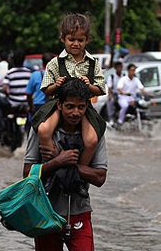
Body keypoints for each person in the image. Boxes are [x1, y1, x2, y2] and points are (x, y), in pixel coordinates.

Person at [23, 77, 108, 251]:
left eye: (80, 107)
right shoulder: (42, 130)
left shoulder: (95, 133)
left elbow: (101, 177)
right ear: (59, 105)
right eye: (70, 106)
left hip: (80, 209)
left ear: (86, 107)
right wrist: (56, 162)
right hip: (47, 212)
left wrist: (72, 165)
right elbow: (28, 173)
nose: (75, 112)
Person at [32, 13, 106, 170]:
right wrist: (56, 86)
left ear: (87, 40)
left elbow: (100, 89)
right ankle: (50, 161)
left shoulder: (93, 63)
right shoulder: (55, 62)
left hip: (83, 107)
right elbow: (46, 89)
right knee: (43, 130)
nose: (76, 44)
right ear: (63, 38)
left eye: (80, 40)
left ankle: (78, 171)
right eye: (71, 39)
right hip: (59, 105)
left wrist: (89, 86)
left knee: (92, 140)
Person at [0, 51, 32, 131]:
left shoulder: (9, 73)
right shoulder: (29, 73)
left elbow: (5, 89)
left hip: (13, 103)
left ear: (13, 61)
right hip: (26, 103)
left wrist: (9, 94)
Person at [25, 52, 56, 135]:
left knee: (34, 131)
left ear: (42, 63)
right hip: (53, 107)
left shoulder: (35, 75)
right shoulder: (58, 76)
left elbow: (28, 94)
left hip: (38, 108)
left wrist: (30, 107)